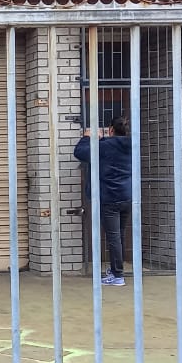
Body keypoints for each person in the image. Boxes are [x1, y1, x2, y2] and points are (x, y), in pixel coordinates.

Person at [74, 115, 132, 286]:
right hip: (127, 196)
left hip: (109, 198)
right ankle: (116, 270)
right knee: (119, 235)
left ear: (111, 130)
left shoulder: (104, 146)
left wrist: (87, 137)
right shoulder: (132, 145)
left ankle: (118, 276)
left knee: (113, 237)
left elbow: (80, 152)